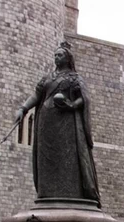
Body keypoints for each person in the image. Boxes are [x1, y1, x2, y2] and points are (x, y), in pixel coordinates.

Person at [14, 41, 101, 207]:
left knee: (67, 157)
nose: (56, 58)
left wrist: (71, 105)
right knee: (46, 157)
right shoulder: (47, 78)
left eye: (59, 55)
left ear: (67, 58)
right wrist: (23, 108)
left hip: (66, 124)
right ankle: (47, 192)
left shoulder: (74, 78)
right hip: (46, 122)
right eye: (55, 55)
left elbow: (84, 98)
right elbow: (36, 96)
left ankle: (70, 192)